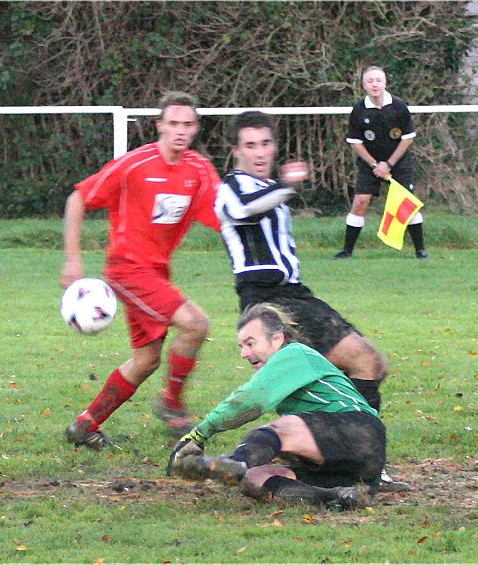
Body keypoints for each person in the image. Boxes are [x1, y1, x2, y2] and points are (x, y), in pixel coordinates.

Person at [214, 110, 409, 491]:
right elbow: (244, 209)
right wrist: (286, 183)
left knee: (362, 368)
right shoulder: (232, 188)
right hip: (268, 302)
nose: (260, 152)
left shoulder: (269, 188)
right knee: (344, 370)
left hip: (297, 297)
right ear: (235, 150)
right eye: (250, 145)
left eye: (266, 143)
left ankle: (347, 464)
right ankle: (355, 467)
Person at [61, 91, 221, 449]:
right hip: (127, 268)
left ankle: (85, 425)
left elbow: (226, 213)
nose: (180, 131)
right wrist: (73, 259)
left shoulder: (198, 170)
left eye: (188, 124)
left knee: (146, 361)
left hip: (156, 274)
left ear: (196, 129)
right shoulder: (134, 165)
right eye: (173, 123)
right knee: (196, 324)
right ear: (159, 125)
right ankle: (172, 403)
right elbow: (78, 198)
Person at [167, 303, 386, 510]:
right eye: (241, 347)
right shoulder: (290, 367)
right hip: (345, 464)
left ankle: (233, 463)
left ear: (277, 339)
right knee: (254, 478)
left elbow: (251, 400)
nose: (244, 354)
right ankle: (338, 497)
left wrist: (199, 434)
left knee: (283, 428)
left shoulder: (295, 353)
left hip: (360, 431)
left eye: (250, 343)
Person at [334, 65, 427, 260]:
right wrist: (375, 165)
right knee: (360, 202)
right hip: (371, 165)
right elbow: (355, 142)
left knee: (406, 204)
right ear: (364, 85)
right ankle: (347, 251)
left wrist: (389, 164)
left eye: (378, 80)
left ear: (385, 83)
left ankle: (421, 251)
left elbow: (408, 138)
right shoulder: (359, 110)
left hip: (398, 162)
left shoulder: (399, 106)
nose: (375, 85)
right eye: (370, 81)